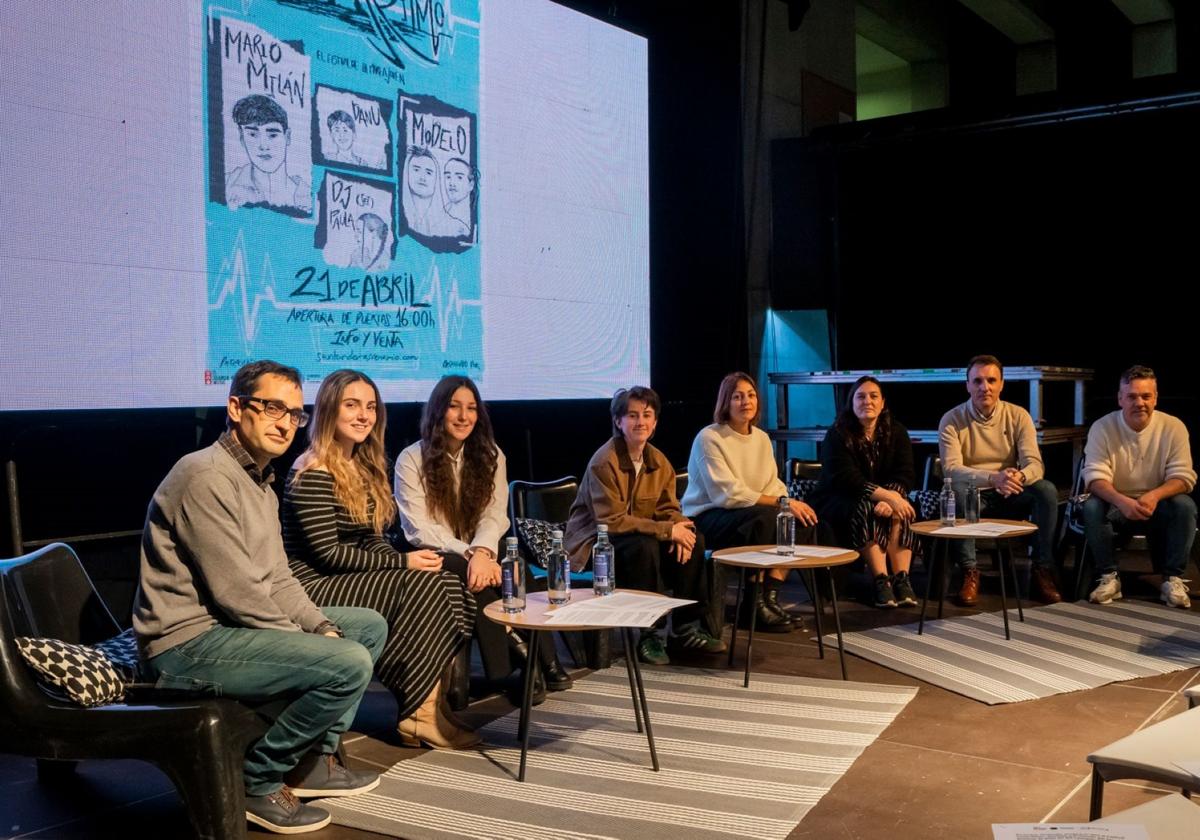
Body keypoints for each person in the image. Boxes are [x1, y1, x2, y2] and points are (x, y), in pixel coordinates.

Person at [134, 360, 385, 835]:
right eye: (273, 407)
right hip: (185, 646)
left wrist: (320, 628)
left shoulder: (260, 482)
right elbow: (238, 595)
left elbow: (279, 579)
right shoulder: (204, 475)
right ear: (235, 408)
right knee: (347, 661)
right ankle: (258, 778)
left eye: (294, 413)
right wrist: (321, 648)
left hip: (226, 630)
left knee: (364, 626)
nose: (285, 422)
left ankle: (311, 761)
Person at [281, 369, 479, 749]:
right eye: (351, 405)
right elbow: (328, 553)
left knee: (446, 580)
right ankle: (419, 712)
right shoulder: (312, 469)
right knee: (423, 583)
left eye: (370, 407)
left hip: (347, 575)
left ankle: (426, 707)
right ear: (328, 410)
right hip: (312, 584)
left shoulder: (362, 466)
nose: (363, 415)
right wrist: (402, 564)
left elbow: (371, 540)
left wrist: (405, 557)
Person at [394, 376, 572, 704]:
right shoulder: (411, 458)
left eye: (472, 408)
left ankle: (540, 659)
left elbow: (494, 516)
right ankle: (525, 658)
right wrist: (471, 553)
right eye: (454, 407)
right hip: (435, 549)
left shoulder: (491, 454)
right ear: (437, 411)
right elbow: (418, 528)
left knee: (511, 559)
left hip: (480, 549)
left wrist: (483, 551)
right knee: (470, 571)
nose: (464, 417)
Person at [564, 387, 725, 665]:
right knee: (644, 545)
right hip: (595, 543)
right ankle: (649, 633)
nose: (640, 422)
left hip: (637, 536)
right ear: (618, 422)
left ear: (655, 423)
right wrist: (665, 530)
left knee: (693, 538)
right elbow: (610, 521)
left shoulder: (659, 461)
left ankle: (686, 628)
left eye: (647, 415)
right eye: (632, 415)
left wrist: (679, 529)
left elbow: (668, 509)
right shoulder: (604, 462)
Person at [682, 372, 821, 633]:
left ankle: (769, 596)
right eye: (737, 396)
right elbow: (727, 494)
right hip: (708, 517)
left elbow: (773, 484)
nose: (746, 401)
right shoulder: (710, 437)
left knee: (796, 520)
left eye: (751, 395)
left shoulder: (761, 438)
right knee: (767, 518)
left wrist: (788, 503)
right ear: (726, 402)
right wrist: (782, 502)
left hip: (749, 513)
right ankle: (752, 603)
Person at [938, 355, 1062, 605]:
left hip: (1010, 491)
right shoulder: (952, 419)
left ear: (1002, 384)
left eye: (992, 380)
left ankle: (1042, 569)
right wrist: (993, 478)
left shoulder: (1018, 415)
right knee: (959, 492)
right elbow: (951, 469)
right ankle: (970, 571)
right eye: (978, 381)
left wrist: (1020, 475)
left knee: (1046, 491)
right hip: (976, 494)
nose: (985, 387)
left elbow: (1035, 464)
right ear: (968, 385)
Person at [1082, 365, 1197, 608]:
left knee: (1185, 506)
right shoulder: (1102, 427)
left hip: (1157, 505)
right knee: (1092, 506)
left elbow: (1184, 477)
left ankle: (1172, 579)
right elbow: (1094, 478)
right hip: (1117, 503)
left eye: (1146, 396)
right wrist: (1122, 501)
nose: (1139, 403)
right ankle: (1109, 577)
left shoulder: (1173, 426)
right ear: (1120, 399)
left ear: (1155, 398)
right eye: (1132, 396)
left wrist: (1154, 496)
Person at [808, 376, 918, 608]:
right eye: (861, 396)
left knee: (903, 509)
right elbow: (847, 479)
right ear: (851, 403)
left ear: (883, 402)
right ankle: (880, 580)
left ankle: (902, 579)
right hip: (837, 498)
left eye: (873, 396)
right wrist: (887, 496)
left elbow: (906, 473)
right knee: (868, 507)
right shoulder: (837, 434)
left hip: (883, 497)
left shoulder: (897, 431)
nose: (867, 401)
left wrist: (894, 498)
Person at [225, 94, 312, 213]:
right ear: (241, 137)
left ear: (287, 137)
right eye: (252, 134)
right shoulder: (226, 184)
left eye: (272, 135)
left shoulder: (309, 197)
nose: (263, 146)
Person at [401, 146, 466, 238]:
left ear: (437, 179)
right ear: (406, 173)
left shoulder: (455, 226)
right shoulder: (397, 215)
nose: (422, 177)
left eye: (428, 172)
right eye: (416, 170)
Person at [442, 157, 476, 235]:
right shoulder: (438, 216)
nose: (451, 183)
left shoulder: (474, 219)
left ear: (471, 185)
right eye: (448, 177)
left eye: (459, 177)